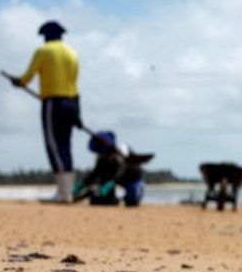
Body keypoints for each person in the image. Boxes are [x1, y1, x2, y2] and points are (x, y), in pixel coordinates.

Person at [9, 20, 82, 203]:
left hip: (53, 102)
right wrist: (78, 113)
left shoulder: (43, 51)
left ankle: (63, 193)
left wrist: (19, 82)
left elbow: (27, 77)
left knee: (54, 145)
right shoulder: (72, 53)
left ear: (46, 36)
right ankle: (68, 192)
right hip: (72, 103)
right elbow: (74, 83)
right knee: (66, 146)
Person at [73, 130, 147, 207]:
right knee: (98, 200)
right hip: (111, 182)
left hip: (131, 180)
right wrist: (82, 184)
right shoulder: (102, 159)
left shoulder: (122, 153)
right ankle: (112, 198)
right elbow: (95, 173)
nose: (99, 155)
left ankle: (125, 197)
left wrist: (110, 183)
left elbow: (121, 170)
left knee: (132, 201)